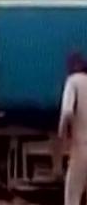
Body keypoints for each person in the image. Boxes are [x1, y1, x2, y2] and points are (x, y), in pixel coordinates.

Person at [60, 51, 87, 205]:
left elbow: (67, 112)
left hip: (81, 148)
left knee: (72, 196)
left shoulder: (73, 82)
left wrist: (62, 135)